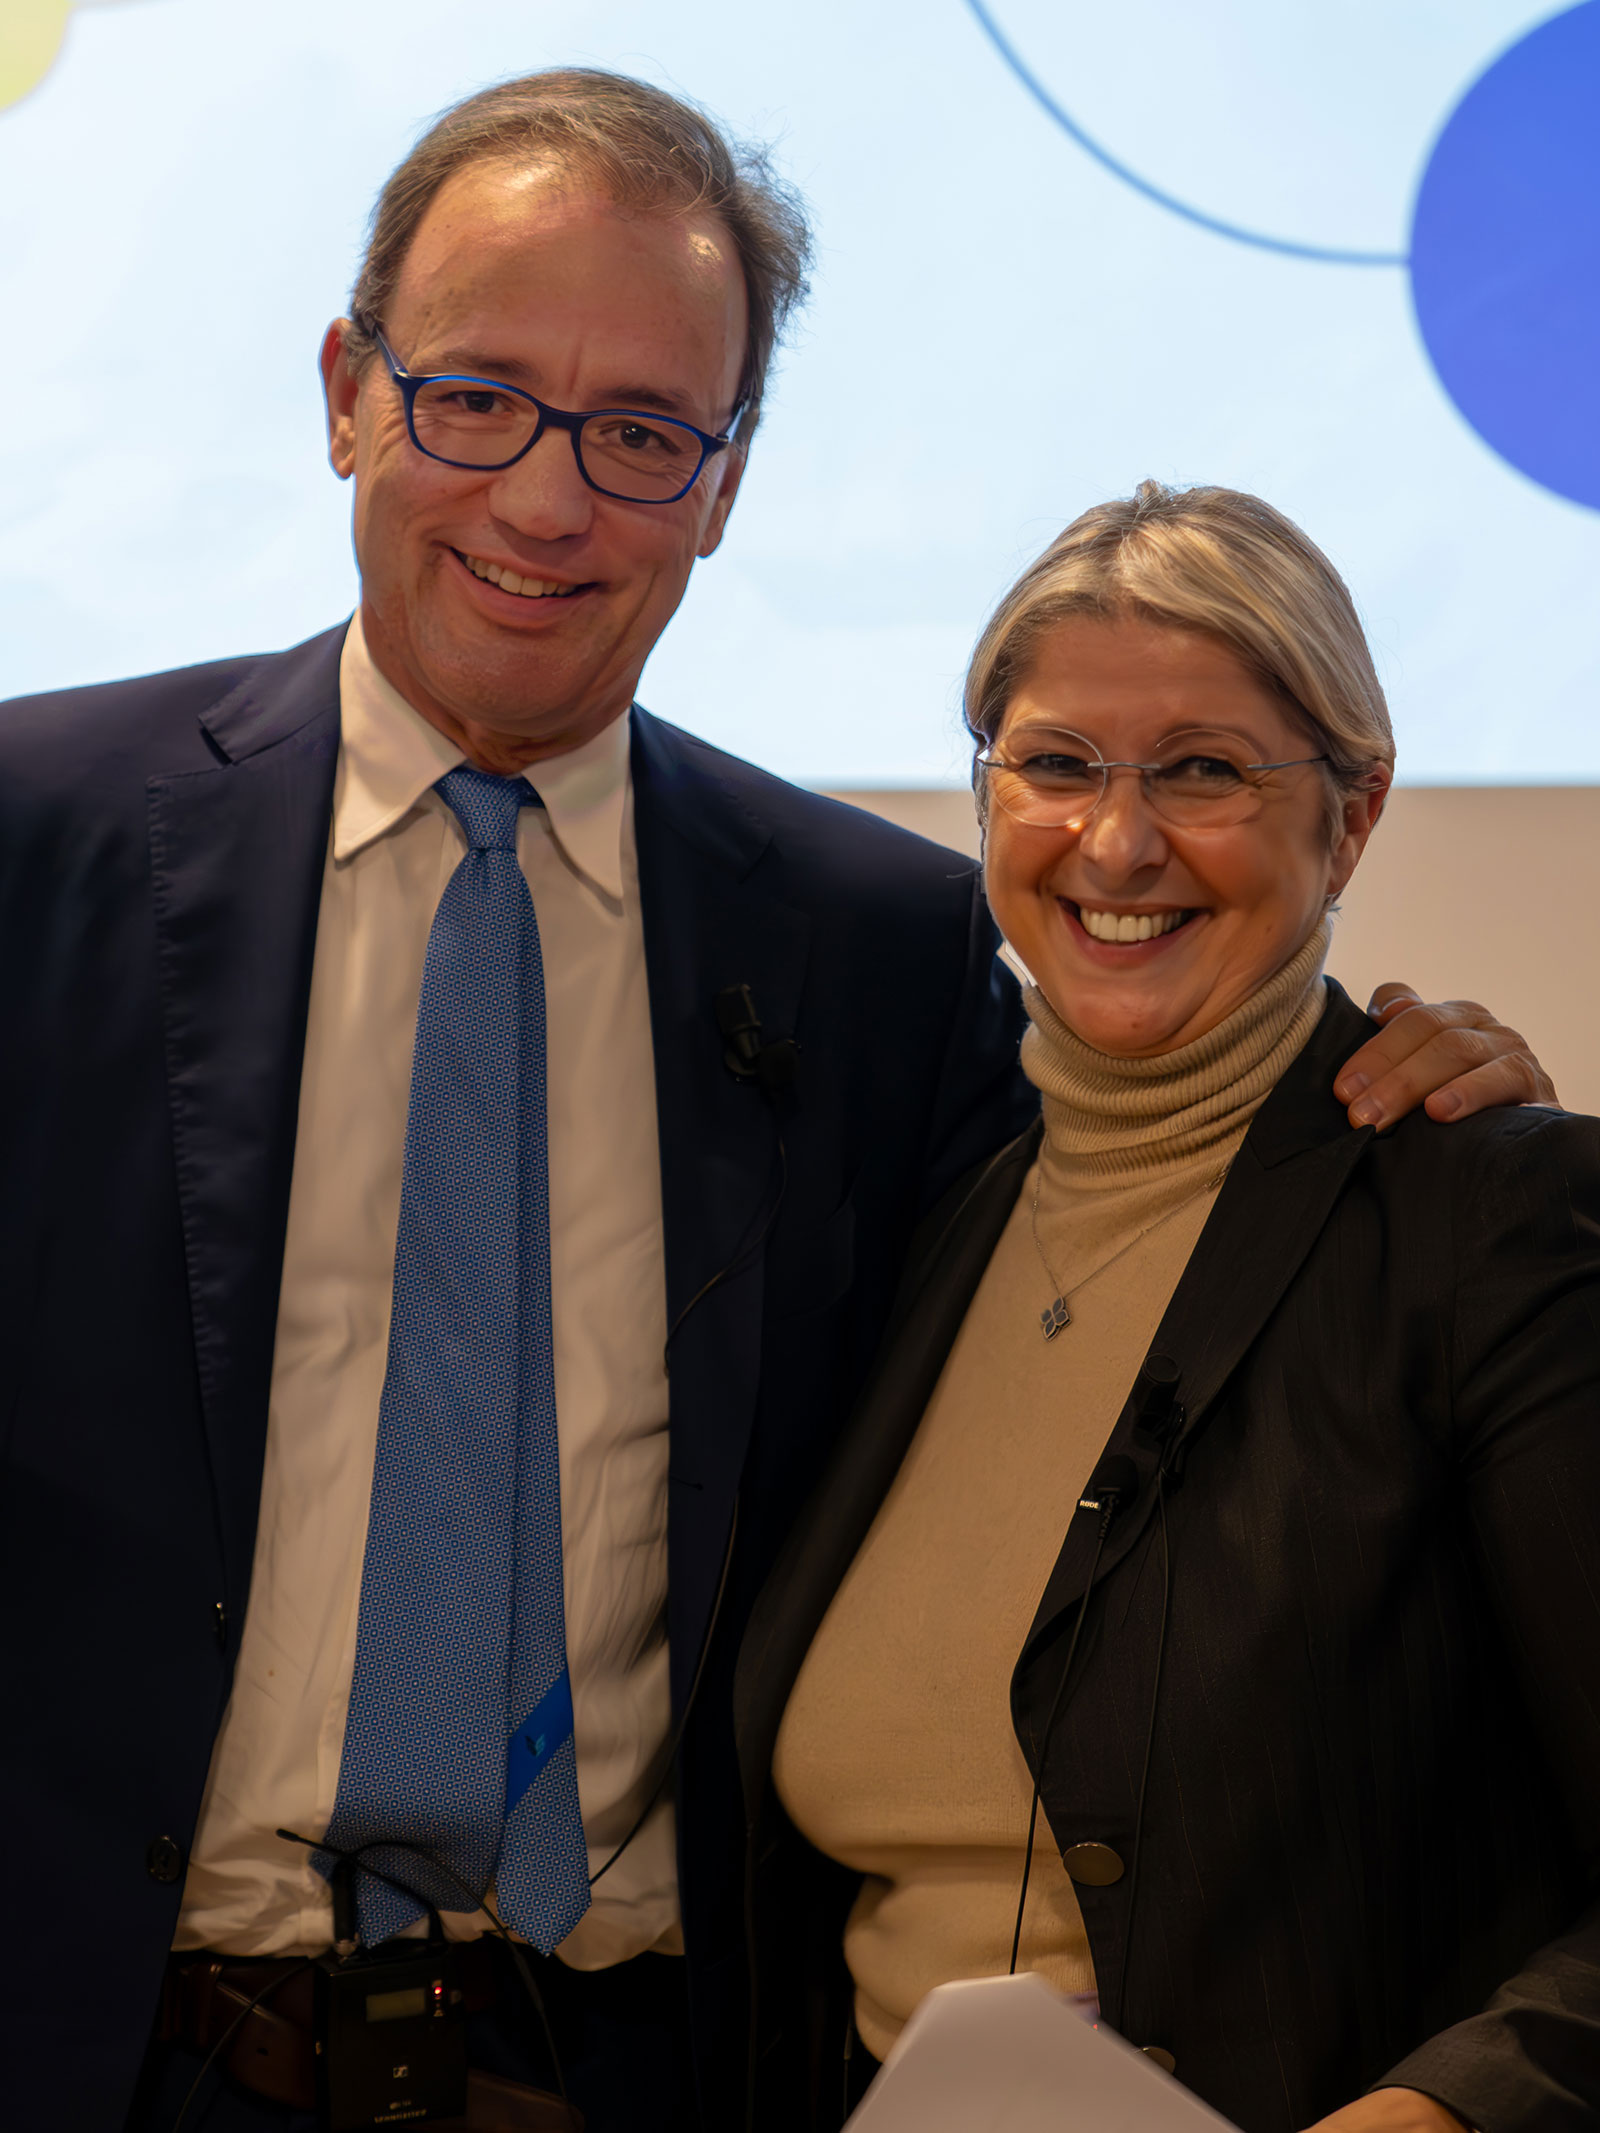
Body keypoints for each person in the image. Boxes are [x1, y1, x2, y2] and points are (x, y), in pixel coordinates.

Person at [0, 70, 1550, 2133]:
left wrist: (1428, 1070)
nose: (548, 500)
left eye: (642, 431)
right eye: (477, 396)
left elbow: (1160, 1183)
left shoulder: (873, 952)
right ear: (348, 396)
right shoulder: (39, 844)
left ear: (724, 482)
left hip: (646, 2073)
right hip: (112, 2053)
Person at [735, 482, 1600, 2133]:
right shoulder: (919, 1221)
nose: (1118, 842)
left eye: (1203, 770)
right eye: (1056, 764)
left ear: (1353, 815)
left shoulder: (1496, 1223)